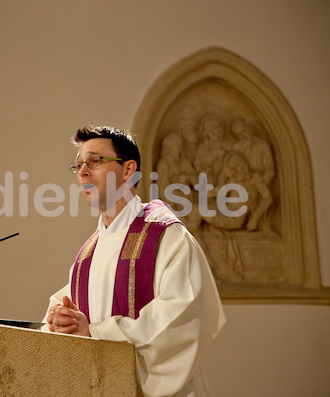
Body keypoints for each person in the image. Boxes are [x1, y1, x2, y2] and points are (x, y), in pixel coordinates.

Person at [42, 125, 226, 397]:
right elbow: (68, 312)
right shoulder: (88, 254)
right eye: (79, 164)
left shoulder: (166, 235)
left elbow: (181, 317)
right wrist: (58, 321)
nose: (82, 172)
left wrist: (95, 332)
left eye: (95, 161)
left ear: (128, 170)